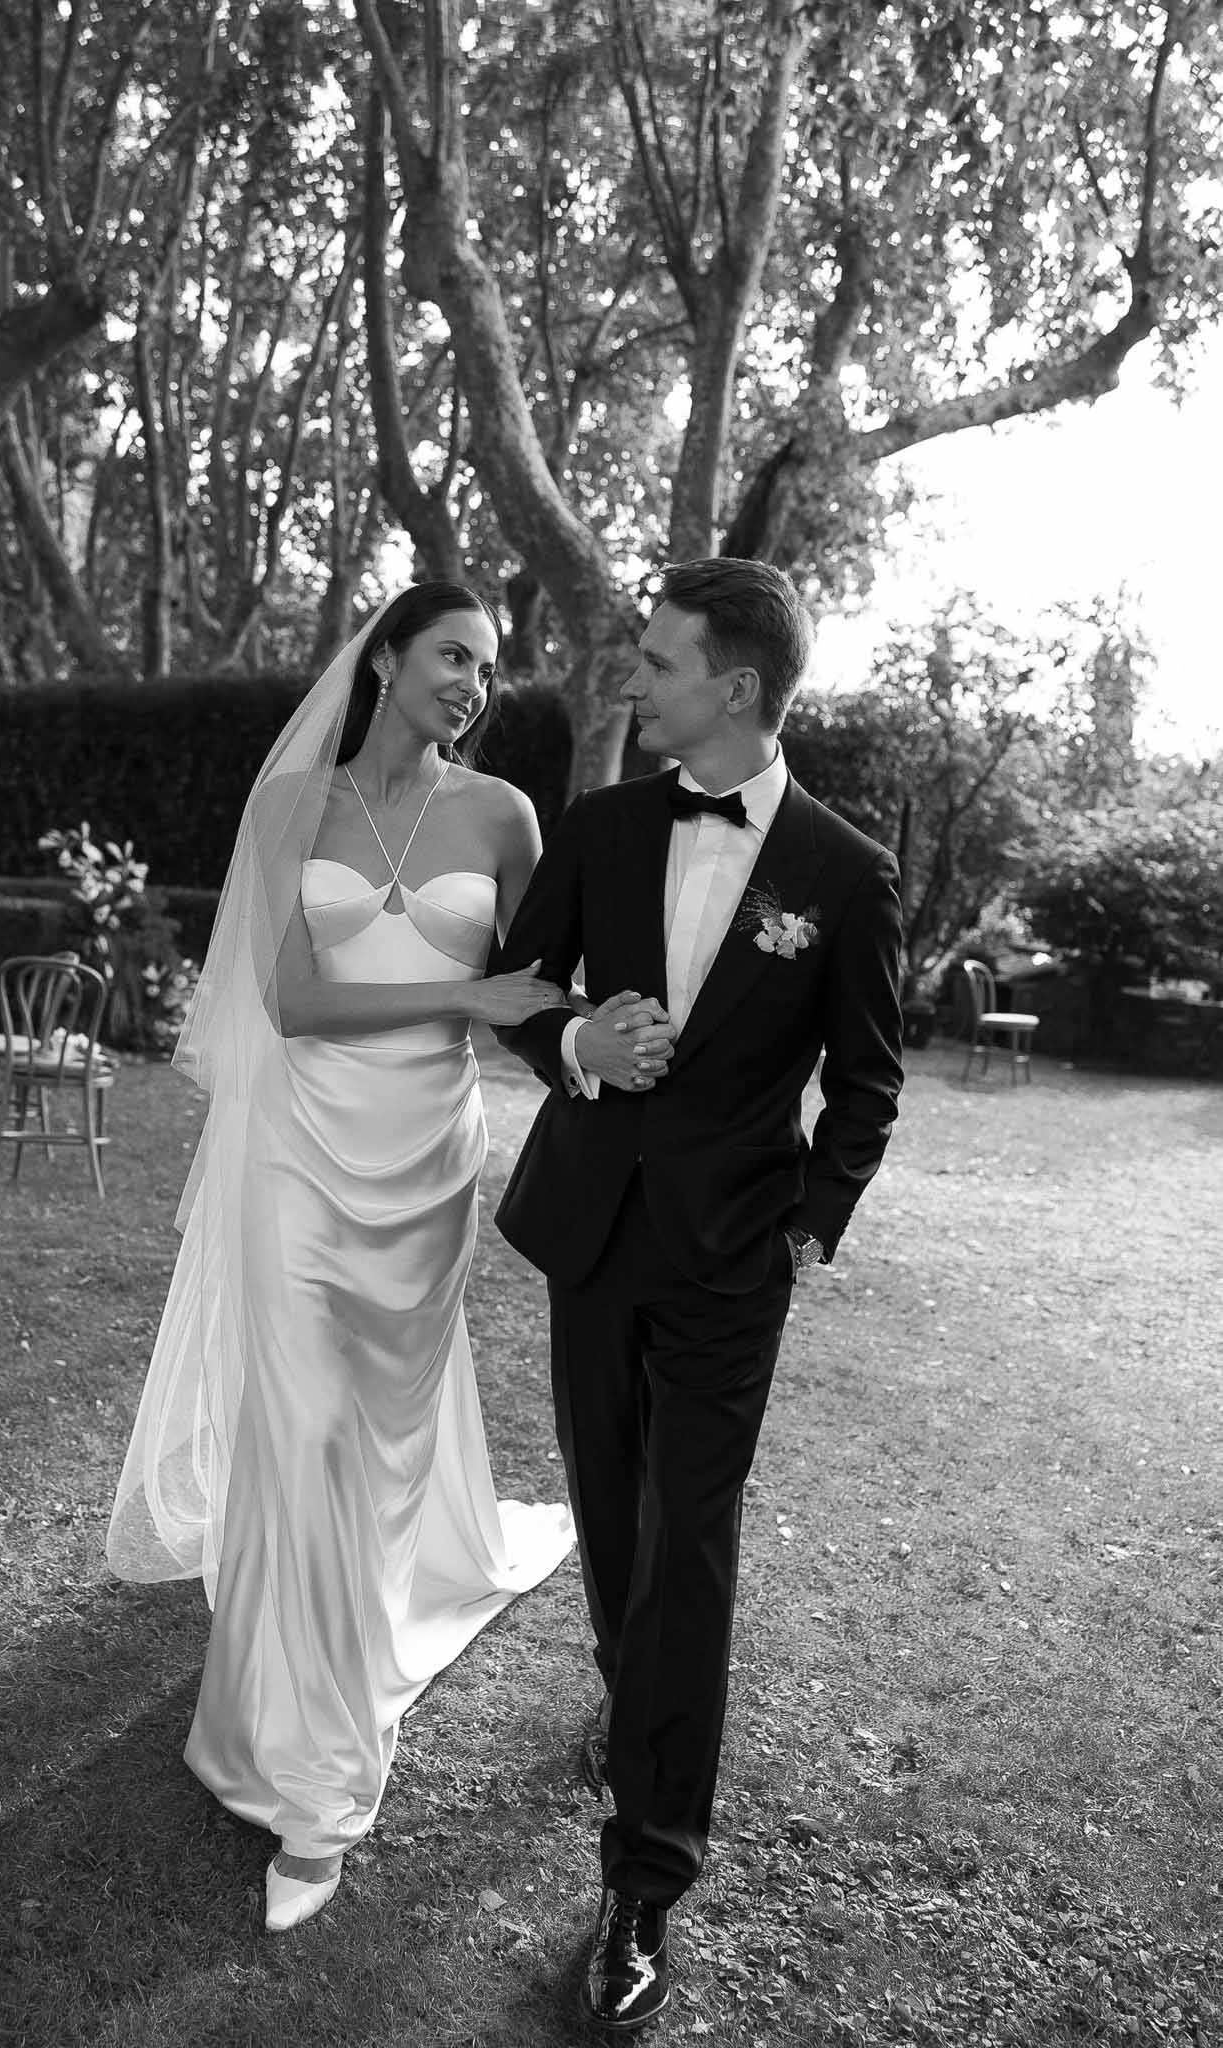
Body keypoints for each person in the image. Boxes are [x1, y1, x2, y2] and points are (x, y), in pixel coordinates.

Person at [107, 582, 574, 1933]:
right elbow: (294, 1000)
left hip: (428, 1162)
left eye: (486, 667)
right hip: (298, 1156)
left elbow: (540, 993)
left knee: (377, 1440)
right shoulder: (288, 807)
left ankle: (340, 1661)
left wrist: (588, 1034)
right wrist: (461, 989)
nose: (471, 682)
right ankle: (318, 1781)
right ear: (384, 660)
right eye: (451, 654)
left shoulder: (505, 817)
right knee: (301, 1424)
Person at [491, 558, 904, 2030]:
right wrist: (577, 1048)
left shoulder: (845, 872)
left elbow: (867, 1081)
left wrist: (808, 1228)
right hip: (594, 1234)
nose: (633, 681)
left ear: (734, 688)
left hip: (731, 1263)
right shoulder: (602, 827)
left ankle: (644, 1880)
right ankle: (636, 1701)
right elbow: (515, 984)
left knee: (691, 1544)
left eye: (657, 662)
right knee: (612, 1518)